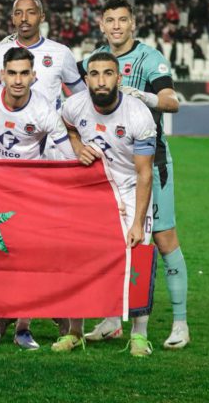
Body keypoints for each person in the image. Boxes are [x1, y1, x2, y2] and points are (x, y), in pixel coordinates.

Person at [81, 0, 189, 349]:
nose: (116, 26)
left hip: (150, 163)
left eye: (122, 20)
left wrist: (142, 96)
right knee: (111, 241)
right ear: (101, 25)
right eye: (110, 20)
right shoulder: (95, 59)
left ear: (133, 24)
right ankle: (113, 320)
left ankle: (180, 323)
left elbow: (172, 101)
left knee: (163, 238)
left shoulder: (150, 58)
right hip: (111, 167)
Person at [0, 47, 71, 350]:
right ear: (2, 74)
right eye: (12, 73)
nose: (17, 80)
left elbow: (68, 154)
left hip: (29, 192)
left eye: (24, 73)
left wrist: (89, 172)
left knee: (28, 259)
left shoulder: (43, 110)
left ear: (34, 76)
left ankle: (24, 328)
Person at [61, 51, 157, 356]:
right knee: (79, 258)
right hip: (94, 190)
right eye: (94, 74)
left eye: (107, 73)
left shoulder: (138, 114)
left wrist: (137, 222)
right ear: (86, 78)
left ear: (119, 77)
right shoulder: (74, 105)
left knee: (138, 257)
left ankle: (139, 336)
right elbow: (67, 125)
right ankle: (75, 332)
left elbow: (144, 173)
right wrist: (77, 145)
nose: (101, 81)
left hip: (130, 189)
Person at [0, 0, 86, 110]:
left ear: (42, 17)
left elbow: (81, 95)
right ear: (13, 19)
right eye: (18, 13)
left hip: (49, 121)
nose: (24, 18)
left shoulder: (61, 53)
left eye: (31, 12)